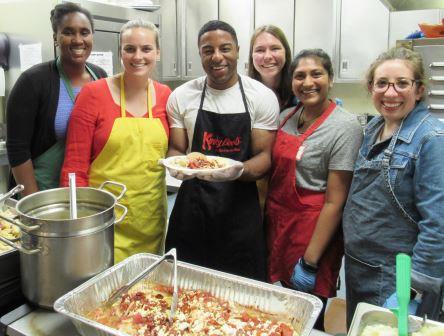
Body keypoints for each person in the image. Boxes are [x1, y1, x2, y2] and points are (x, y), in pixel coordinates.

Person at [165, 20, 280, 281]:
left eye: (225, 48)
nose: (217, 57)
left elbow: (264, 157)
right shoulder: (182, 96)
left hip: (240, 212)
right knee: (183, 288)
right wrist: (177, 165)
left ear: (238, 50)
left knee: (242, 296)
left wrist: (236, 170)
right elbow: (176, 148)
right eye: (208, 50)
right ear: (200, 54)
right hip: (192, 212)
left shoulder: (260, 97)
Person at [343, 47, 444, 325]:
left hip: (398, 278)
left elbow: (438, 224)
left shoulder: (431, 139)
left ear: (419, 89)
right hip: (360, 267)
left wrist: (413, 289)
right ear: (371, 87)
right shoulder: (375, 126)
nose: (390, 93)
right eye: (382, 83)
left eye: (402, 83)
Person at [265, 49, 363, 330]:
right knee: (274, 317)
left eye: (316, 74)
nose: (308, 82)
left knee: (305, 321)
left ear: (330, 78)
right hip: (278, 227)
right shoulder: (286, 116)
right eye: (299, 76)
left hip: (312, 235)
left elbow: (335, 202)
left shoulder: (345, 127)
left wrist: (309, 262)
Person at [60, 19, 171, 263]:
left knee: (146, 298)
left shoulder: (166, 96)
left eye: (146, 49)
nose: (137, 56)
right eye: (129, 49)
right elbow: (74, 168)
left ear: (158, 53)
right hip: (104, 223)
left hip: (150, 220)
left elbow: (174, 155)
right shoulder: (93, 94)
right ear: (120, 52)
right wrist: (81, 225)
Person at [6, 2, 107, 197]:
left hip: (88, 189)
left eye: (84, 32)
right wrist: (33, 204)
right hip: (44, 191)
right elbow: (17, 149)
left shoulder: (100, 76)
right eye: (68, 32)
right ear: (55, 38)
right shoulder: (34, 81)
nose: (78, 40)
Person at [248, 25, 293, 110]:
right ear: (252, 56)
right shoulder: (244, 93)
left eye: (275, 48)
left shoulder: (299, 93)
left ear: (286, 52)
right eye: (260, 50)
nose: (267, 56)